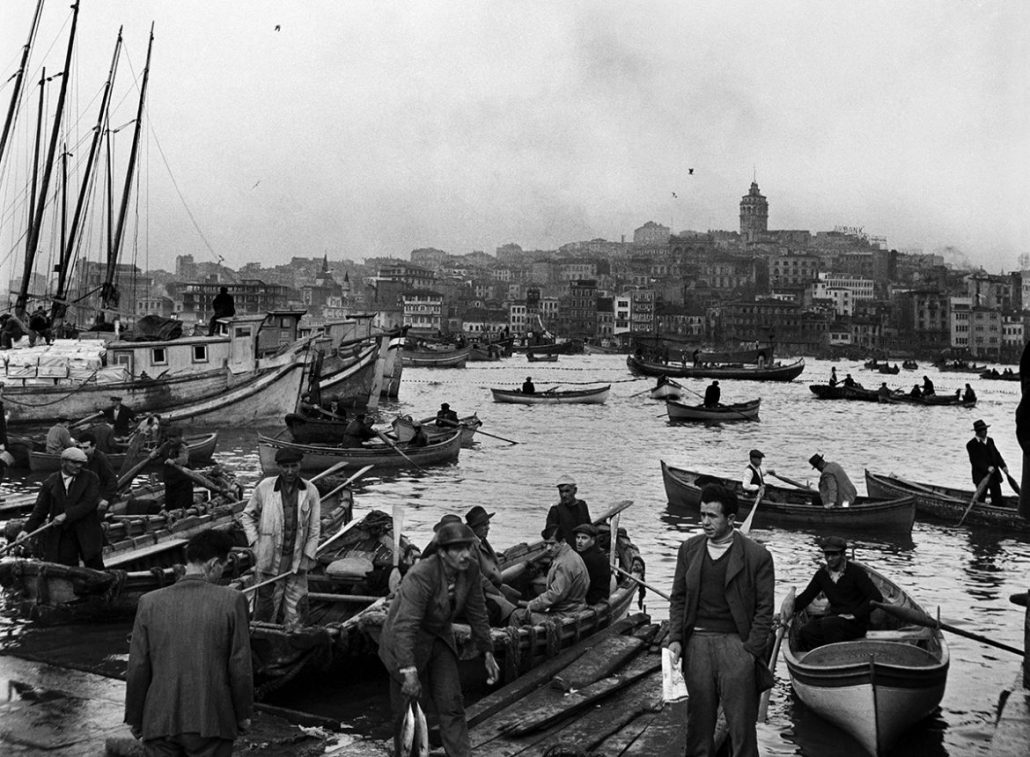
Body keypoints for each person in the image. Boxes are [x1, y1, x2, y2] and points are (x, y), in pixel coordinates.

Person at [667, 483, 775, 757]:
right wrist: (677, 639)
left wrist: (751, 650)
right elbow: (678, 598)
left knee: (741, 729)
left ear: (730, 520)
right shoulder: (689, 550)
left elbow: (765, 609)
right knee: (698, 725)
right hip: (697, 646)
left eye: (712, 516)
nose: (705, 522)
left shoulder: (756, 556)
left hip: (736, 646)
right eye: (702, 515)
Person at [125, 529, 253, 756]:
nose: (222, 573)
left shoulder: (149, 602)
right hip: (211, 721)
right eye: (223, 567)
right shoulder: (232, 601)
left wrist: (135, 717)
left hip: (159, 721)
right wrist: (243, 715)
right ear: (214, 564)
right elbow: (240, 667)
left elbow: (137, 667)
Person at [378, 522, 499, 757]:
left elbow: (477, 610)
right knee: (408, 711)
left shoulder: (471, 569)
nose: (466, 554)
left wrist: (487, 651)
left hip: (438, 637)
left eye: (468, 547)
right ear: (442, 552)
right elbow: (405, 627)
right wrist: (409, 673)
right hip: (403, 643)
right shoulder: (420, 575)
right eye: (458, 549)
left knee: (452, 704)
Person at [240, 447, 321, 628]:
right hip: (269, 560)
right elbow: (247, 516)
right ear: (279, 466)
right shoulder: (265, 487)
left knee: (297, 612)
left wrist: (308, 557)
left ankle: (294, 639)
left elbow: (315, 529)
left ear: (300, 465)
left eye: (294, 466)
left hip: (297, 561)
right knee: (265, 610)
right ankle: (264, 641)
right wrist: (255, 543)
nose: (290, 471)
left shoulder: (311, 490)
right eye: (285, 467)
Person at [18, 447, 104, 569]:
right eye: (74, 462)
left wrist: (66, 515)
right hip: (63, 535)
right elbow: (40, 511)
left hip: (87, 532)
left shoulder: (91, 478)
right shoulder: (50, 482)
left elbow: (89, 503)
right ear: (63, 462)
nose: (78, 466)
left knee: (96, 570)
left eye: (81, 463)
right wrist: (26, 530)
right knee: (63, 570)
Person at [793, 536, 883, 651]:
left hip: (856, 623)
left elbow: (876, 597)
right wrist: (786, 611)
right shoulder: (822, 575)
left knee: (830, 624)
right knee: (806, 631)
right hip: (834, 620)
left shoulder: (856, 573)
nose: (830, 559)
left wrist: (855, 614)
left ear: (842, 555)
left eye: (834, 555)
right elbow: (806, 598)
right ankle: (822, 657)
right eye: (827, 555)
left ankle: (837, 655)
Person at [509, 524, 589, 625]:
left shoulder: (564, 563)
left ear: (563, 541)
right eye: (546, 544)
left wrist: (533, 604)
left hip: (564, 614)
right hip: (575, 608)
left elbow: (556, 594)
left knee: (517, 615)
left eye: (552, 544)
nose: (548, 548)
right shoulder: (571, 554)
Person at [465, 505, 520, 624]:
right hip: (482, 590)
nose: (488, 528)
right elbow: (478, 577)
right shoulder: (470, 545)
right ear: (475, 527)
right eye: (484, 525)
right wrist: (496, 592)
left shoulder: (480, 540)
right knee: (507, 608)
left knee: (515, 595)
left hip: (493, 584)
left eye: (488, 524)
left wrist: (494, 555)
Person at [967, 419, 1009, 504]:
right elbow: (975, 461)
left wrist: (1003, 466)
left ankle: (997, 508)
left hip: (994, 475)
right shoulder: (971, 444)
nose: (986, 431)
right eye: (983, 430)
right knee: (981, 499)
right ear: (978, 432)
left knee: (997, 499)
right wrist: (987, 468)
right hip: (981, 477)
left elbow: (997, 455)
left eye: (986, 429)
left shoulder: (990, 441)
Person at [571, 523, 611, 605]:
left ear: (592, 540)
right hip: (600, 597)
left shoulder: (587, 559)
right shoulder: (598, 554)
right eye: (578, 537)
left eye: (584, 538)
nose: (579, 541)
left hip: (590, 600)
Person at [545, 474, 591, 543]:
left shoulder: (582, 505)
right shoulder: (555, 510)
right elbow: (549, 534)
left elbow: (588, 526)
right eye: (561, 491)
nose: (563, 495)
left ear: (575, 490)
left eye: (567, 491)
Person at [78, 432, 117, 514]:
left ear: (94, 447)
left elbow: (112, 480)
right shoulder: (78, 458)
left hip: (99, 496)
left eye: (85, 448)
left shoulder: (101, 459)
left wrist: (105, 499)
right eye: (80, 448)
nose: (82, 451)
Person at [163, 440, 195, 512]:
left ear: (179, 437)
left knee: (181, 504)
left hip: (182, 481)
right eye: (169, 437)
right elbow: (158, 452)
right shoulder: (165, 446)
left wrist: (174, 461)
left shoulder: (183, 447)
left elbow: (184, 460)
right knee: (169, 504)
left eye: (174, 437)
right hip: (170, 481)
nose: (171, 439)